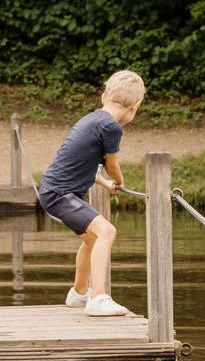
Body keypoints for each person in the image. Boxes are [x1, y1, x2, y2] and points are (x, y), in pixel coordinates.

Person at [37, 69, 145, 317]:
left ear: (104, 97)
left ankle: (78, 293)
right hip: (60, 193)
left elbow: (80, 162)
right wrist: (118, 180)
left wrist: (104, 183)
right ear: (135, 106)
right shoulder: (112, 127)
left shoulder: (92, 119)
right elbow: (112, 165)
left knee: (92, 239)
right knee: (107, 231)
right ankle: (98, 297)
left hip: (54, 190)